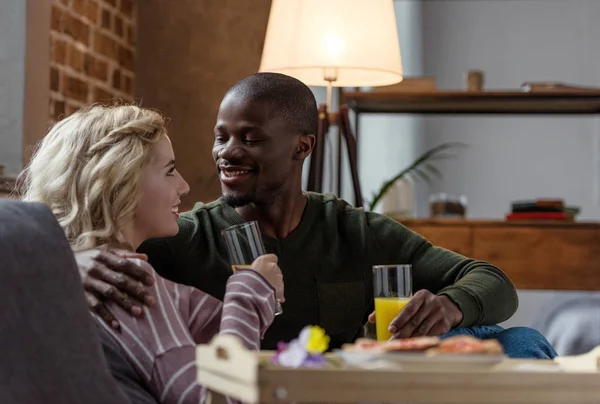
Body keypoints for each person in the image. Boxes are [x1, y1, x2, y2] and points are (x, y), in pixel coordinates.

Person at [77, 73, 557, 360]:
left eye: (249, 138)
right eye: (221, 136)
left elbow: (493, 281)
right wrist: (78, 265)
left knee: (521, 342)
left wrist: (451, 306)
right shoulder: (185, 235)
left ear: (302, 146)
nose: (227, 152)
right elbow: (74, 250)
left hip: (345, 390)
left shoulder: (354, 230)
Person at [20, 104, 284, 403]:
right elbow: (220, 398)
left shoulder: (55, 275)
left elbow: (181, 315)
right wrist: (250, 293)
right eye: (169, 171)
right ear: (121, 181)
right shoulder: (123, 281)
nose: (184, 186)